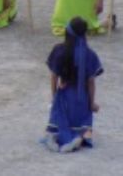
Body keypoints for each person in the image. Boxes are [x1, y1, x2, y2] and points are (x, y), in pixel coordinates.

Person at [42, 17, 102, 153]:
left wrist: (54, 97)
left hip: (64, 97)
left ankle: (54, 138)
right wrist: (92, 104)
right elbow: (91, 83)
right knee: (85, 130)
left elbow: (54, 77)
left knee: (53, 127)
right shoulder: (90, 55)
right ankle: (80, 139)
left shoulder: (59, 50)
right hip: (82, 100)